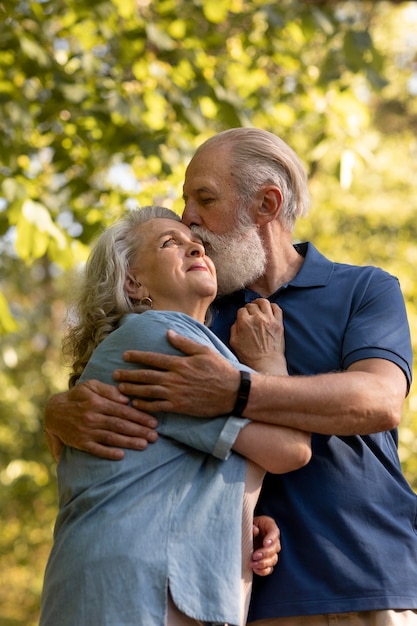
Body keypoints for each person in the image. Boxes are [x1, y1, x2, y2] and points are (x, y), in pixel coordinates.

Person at [44, 128, 417, 626]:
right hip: (234, 595)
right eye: (185, 202)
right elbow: (113, 424)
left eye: (204, 199)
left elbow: (378, 401)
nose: (188, 218)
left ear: (265, 204)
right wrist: (55, 414)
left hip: (364, 578)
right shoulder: (193, 312)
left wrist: (236, 389)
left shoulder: (362, 288)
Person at [39, 205, 311, 626]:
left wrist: (231, 515)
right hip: (131, 594)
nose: (195, 249)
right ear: (133, 283)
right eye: (171, 243)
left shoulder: (190, 343)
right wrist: (269, 359)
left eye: (198, 244)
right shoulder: (158, 336)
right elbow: (289, 448)